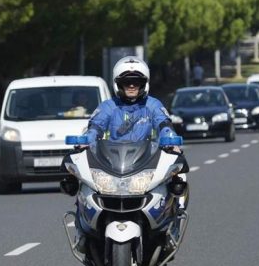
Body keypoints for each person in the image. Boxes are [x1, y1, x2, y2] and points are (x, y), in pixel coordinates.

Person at [71, 56, 188, 252]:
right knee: (85, 185)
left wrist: (169, 138)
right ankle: (83, 230)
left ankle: (173, 218)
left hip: (145, 160)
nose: (132, 85)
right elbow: (95, 127)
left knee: (178, 172)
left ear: (145, 83)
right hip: (112, 162)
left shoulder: (153, 105)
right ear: (118, 84)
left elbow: (163, 123)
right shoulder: (108, 106)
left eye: (137, 81)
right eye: (127, 82)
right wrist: (86, 140)